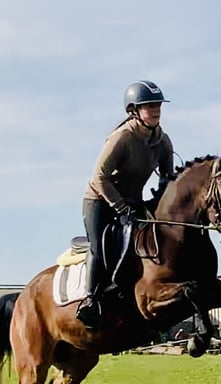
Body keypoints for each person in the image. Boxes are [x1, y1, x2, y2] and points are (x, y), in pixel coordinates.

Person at [76, 80, 175, 329]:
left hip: (132, 202)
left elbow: (167, 178)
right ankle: (90, 300)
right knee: (100, 247)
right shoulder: (121, 137)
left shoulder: (163, 141)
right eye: (148, 106)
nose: (155, 110)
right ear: (134, 110)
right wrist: (120, 207)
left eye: (157, 106)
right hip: (100, 199)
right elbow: (99, 178)